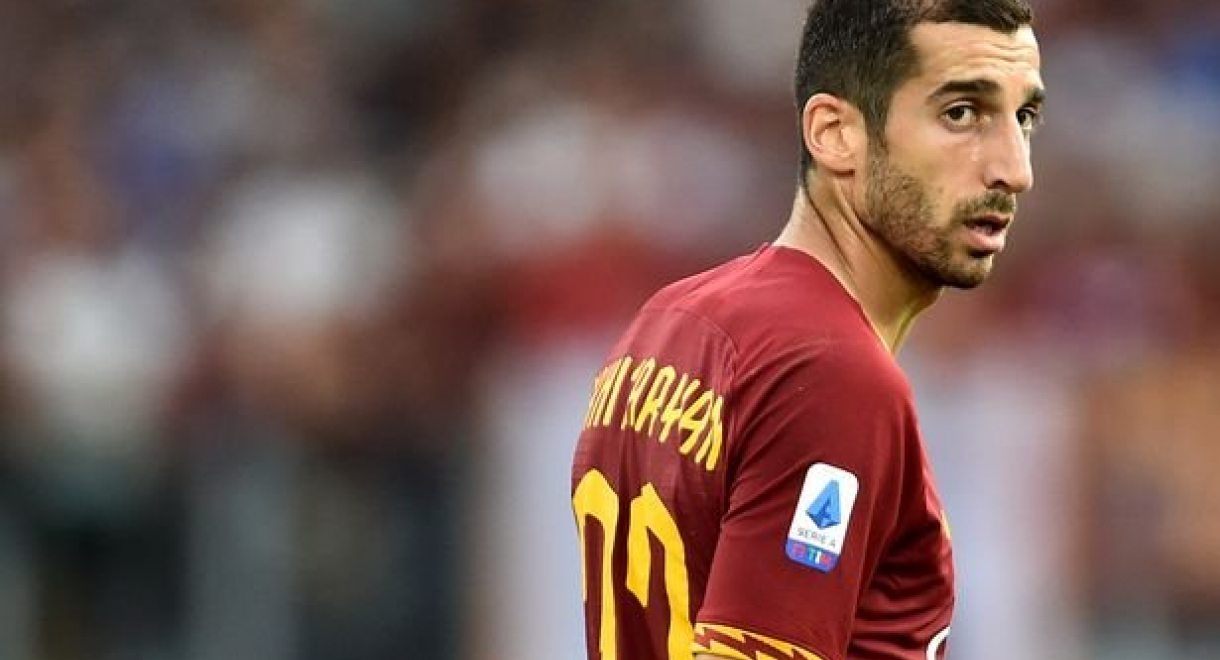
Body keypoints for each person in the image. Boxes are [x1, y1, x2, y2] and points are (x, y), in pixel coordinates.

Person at [570, 0, 1045, 659]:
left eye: (1024, 118)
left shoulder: (668, 323)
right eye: (960, 114)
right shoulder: (832, 374)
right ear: (834, 132)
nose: (1015, 170)